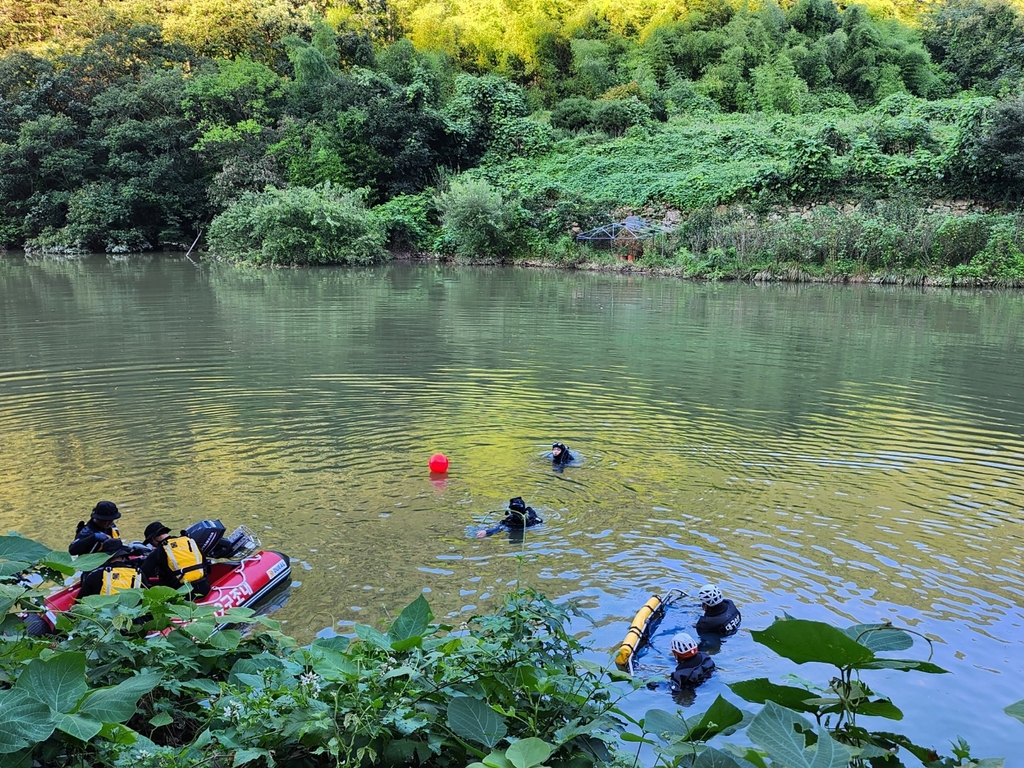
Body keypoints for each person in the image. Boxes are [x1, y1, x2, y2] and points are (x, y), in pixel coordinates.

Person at [140, 521, 221, 598]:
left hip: (184, 594)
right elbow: (205, 564)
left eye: (150, 542)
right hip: (204, 588)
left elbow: (142, 574)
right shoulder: (188, 541)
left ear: (153, 539)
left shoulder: (159, 551)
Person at [77, 540, 144, 597]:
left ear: (104, 557)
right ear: (123, 556)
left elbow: (81, 601)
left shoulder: (94, 574)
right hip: (132, 611)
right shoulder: (138, 572)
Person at [476, 497, 543, 538]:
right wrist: (486, 531)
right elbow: (498, 528)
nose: (516, 516)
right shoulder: (508, 521)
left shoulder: (531, 520)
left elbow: (539, 520)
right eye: (514, 513)